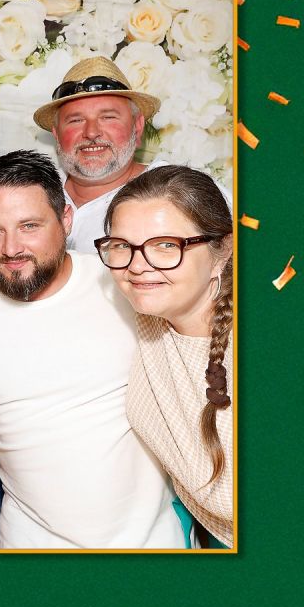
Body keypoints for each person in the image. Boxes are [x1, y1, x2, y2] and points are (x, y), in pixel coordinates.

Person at [0, 150, 185, 549]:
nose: (11, 248)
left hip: (152, 543)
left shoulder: (124, 285)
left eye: (29, 226)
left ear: (66, 219)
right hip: (29, 545)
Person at [99, 165, 234, 548]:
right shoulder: (148, 311)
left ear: (223, 251)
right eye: (122, 245)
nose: (137, 266)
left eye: (166, 245)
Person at [0, 56, 169, 250]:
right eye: (76, 120)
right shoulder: (37, 189)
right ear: (56, 134)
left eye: (108, 117)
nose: (91, 132)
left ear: (137, 126)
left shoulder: (170, 192)